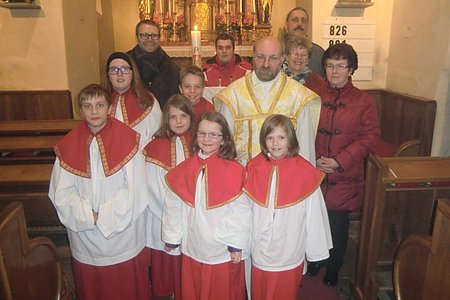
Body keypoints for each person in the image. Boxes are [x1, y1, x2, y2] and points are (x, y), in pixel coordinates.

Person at [48, 84, 149, 300]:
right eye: (87, 106)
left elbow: (136, 188)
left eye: (99, 105)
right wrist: (87, 215)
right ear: (81, 110)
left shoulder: (129, 140)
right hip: (84, 232)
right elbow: (61, 192)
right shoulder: (68, 145)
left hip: (123, 230)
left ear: (109, 107)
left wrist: (105, 216)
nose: (94, 111)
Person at [162, 112, 251, 300]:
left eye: (213, 135)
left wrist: (235, 244)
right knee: (194, 289)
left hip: (221, 246)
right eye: (202, 134)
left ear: (224, 138)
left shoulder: (236, 171)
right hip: (193, 243)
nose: (207, 139)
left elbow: (241, 211)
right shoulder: (185, 168)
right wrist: (172, 237)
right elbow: (174, 206)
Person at [243, 114, 332, 300]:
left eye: (281, 137)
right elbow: (245, 211)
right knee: (259, 291)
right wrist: (242, 243)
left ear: (290, 139)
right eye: (270, 138)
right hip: (260, 246)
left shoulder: (305, 172)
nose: (275, 143)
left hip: (290, 247)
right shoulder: (253, 167)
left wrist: (315, 251)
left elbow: (313, 216)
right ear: (263, 140)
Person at [313, 43, 380, 286]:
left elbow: (370, 137)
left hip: (345, 176)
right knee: (314, 223)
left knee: (338, 228)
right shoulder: (315, 96)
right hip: (316, 173)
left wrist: (339, 161)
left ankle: (333, 267)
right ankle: (315, 261)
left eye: (341, 66)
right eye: (330, 65)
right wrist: (314, 160)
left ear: (351, 69)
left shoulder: (363, 101)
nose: (335, 71)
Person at [214, 36, 321, 166]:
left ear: (282, 59)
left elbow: (305, 150)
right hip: (244, 180)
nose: (266, 64)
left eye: (273, 58)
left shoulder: (298, 96)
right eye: (260, 57)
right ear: (252, 57)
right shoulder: (233, 95)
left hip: (284, 180)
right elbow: (224, 146)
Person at [142, 94, 195, 300]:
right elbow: (153, 188)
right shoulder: (156, 146)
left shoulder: (199, 142)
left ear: (191, 116)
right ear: (166, 119)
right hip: (161, 217)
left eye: (183, 115)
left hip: (191, 218)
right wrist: (171, 215)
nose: (179, 121)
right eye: (173, 117)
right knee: (164, 262)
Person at [105, 51, 162, 148]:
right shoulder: (100, 102)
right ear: (108, 75)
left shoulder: (148, 100)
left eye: (125, 69)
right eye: (114, 70)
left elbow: (158, 134)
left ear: (132, 73)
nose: (120, 74)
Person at [128, 19, 180, 109]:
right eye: (144, 35)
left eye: (154, 35)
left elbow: (175, 100)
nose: (150, 39)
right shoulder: (126, 63)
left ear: (159, 38)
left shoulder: (172, 68)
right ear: (137, 38)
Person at [283, 6, 325, 78]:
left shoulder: (319, 53)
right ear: (286, 24)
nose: (299, 24)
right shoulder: (277, 49)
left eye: (303, 20)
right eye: (295, 20)